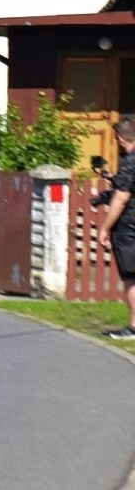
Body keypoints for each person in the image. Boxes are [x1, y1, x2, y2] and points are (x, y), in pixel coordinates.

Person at [99, 115, 135, 340]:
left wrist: (105, 227)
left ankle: (133, 328)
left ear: (121, 139)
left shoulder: (130, 161)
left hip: (129, 227)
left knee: (132, 277)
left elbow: (122, 198)